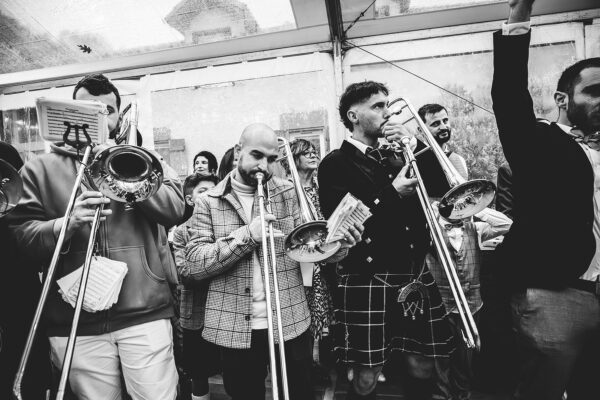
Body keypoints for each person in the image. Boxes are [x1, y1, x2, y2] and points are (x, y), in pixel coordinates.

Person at [7, 73, 185, 399]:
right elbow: (20, 239)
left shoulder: (144, 159)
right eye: (88, 110)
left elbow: (175, 210)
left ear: (118, 117)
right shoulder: (37, 169)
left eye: (108, 111)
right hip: (73, 321)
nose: (100, 118)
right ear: (69, 114)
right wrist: (65, 224)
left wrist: (133, 177)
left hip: (143, 312)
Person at [184, 123, 363, 400]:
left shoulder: (288, 191)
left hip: (290, 320)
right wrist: (248, 236)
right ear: (237, 151)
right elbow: (195, 264)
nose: (264, 166)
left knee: (300, 393)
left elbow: (313, 249)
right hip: (233, 326)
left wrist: (341, 246)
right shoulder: (208, 200)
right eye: (257, 155)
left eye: (271, 159)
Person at [318, 81, 454, 400]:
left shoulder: (394, 154)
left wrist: (414, 140)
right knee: (367, 374)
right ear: (354, 116)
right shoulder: (335, 163)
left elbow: (440, 182)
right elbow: (344, 226)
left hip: (412, 274)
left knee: (423, 364)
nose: (387, 112)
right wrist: (393, 193)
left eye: (387, 104)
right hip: (367, 276)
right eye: (378, 106)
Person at [492, 1, 600, 399]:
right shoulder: (539, 142)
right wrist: (519, 15)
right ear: (562, 100)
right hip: (556, 295)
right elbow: (508, 95)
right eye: (594, 92)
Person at [427, 204, 512, 400]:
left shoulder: (475, 228)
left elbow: (506, 224)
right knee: (441, 357)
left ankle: (462, 394)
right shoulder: (430, 227)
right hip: (441, 302)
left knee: (466, 357)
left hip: (471, 304)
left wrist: (476, 209)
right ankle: (441, 395)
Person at [172, 173, 219, 400]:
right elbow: (185, 272)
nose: (211, 195)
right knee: (198, 372)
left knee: (233, 371)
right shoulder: (181, 232)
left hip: (226, 310)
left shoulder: (227, 228)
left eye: (214, 189)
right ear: (190, 200)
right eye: (203, 191)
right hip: (196, 314)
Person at [417, 103, 468, 180]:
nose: (443, 127)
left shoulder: (459, 159)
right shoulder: (417, 159)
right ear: (421, 130)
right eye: (435, 124)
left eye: (445, 121)